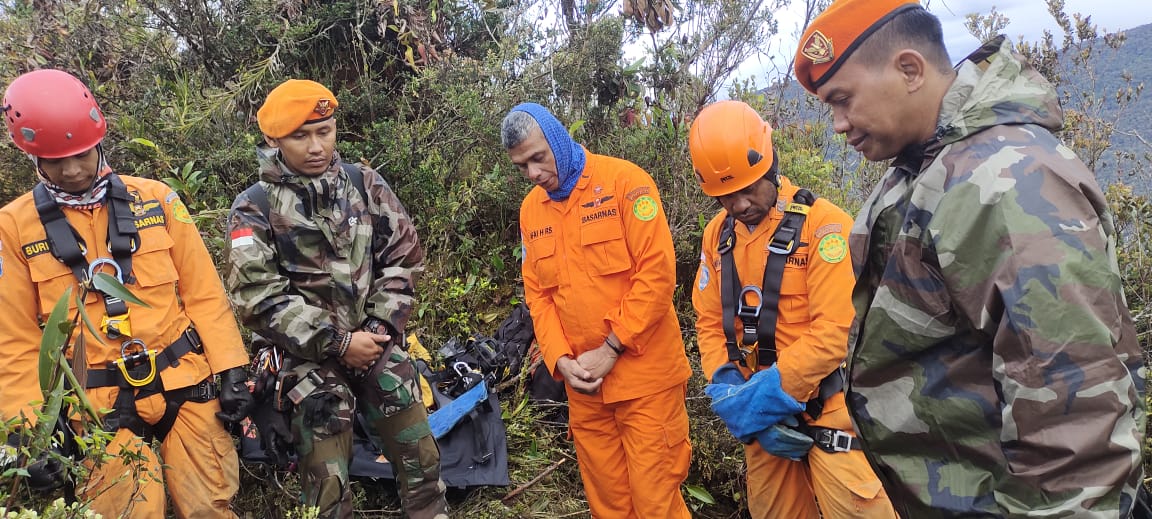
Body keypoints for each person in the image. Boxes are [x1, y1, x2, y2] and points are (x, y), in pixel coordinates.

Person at [793, 1, 1147, 516]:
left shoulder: (1007, 182)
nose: (839, 125)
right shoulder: (923, 171)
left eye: (843, 100)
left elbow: (1074, 418)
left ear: (909, 69)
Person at [0, 69, 252, 518]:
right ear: (32, 156)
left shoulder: (156, 199)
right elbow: (14, 339)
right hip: (96, 404)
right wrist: (29, 429)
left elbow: (203, 292)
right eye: (56, 161)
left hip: (183, 379)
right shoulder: (13, 228)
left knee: (211, 506)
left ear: (98, 140)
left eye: (80, 154)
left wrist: (232, 366)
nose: (73, 170)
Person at [223, 79, 448, 519]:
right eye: (299, 136)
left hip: (376, 345)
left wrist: (379, 332)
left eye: (324, 131)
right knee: (326, 487)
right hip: (306, 360)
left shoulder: (363, 184)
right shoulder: (254, 207)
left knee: (421, 459)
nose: (315, 146)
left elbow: (403, 259)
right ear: (273, 139)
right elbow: (256, 297)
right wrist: (339, 344)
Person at [688, 100, 897, 518]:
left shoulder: (824, 226)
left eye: (749, 189)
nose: (740, 204)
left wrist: (770, 395)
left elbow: (835, 332)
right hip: (762, 422)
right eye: (726, 196)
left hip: (829, 411)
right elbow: (710, 322)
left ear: (770, 165)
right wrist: (728, 383)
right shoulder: (718, 236)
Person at [503, 102, 693, 518]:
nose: (533, 173)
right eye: (522, 166)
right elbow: (539, 296)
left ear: (557, 139)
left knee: (656, 504)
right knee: (609, 506)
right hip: (585, 390)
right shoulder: (531, 211)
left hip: (646, 383)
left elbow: (657, 276)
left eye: (538, 157)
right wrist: (559, 360)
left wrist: (611, 348)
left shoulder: (626, 183)